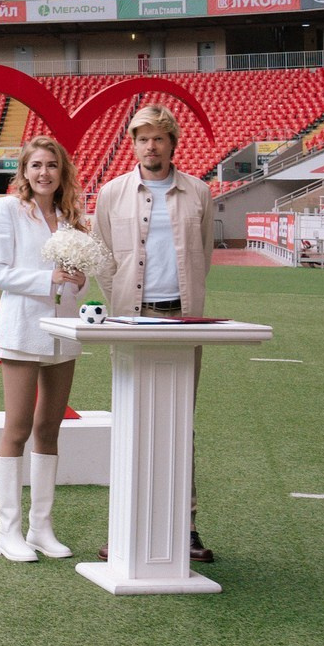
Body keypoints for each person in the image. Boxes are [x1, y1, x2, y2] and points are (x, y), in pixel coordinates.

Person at [87, 102, 217, 564]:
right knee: (131, 419)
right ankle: (125, 523)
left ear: (172, 142)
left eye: (158, 137)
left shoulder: (199, 192)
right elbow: (102, 257)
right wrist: (122, 301)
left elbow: (203, 253)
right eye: (142, 138)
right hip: (131, 318)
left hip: (182, 318)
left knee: (180, 421)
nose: (150, 145)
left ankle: (187, 527)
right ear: (134, 144)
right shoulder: (111, 194)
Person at [0, 134, 89, 563]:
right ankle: (8, 532)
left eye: (52, 165)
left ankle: (41, 527)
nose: (44, 173)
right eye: (36, 165)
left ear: (62, 173)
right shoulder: (8, 209)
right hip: (22, 328)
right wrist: (50, 280)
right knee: (18, 427)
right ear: (24, 172)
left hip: (64, 330)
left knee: (50, 428)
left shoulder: (72, 217)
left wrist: (80, 281)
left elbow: (78, 275)